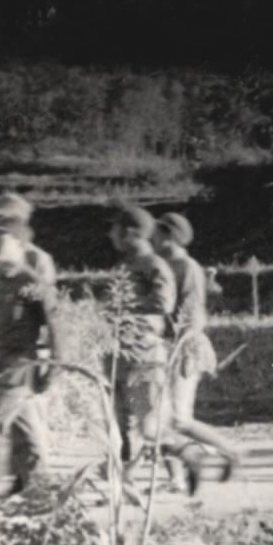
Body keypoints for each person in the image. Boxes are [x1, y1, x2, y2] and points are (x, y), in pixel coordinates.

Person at [152, 213, 242, 491]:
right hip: (164, 346)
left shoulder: (186, 267)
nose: (152, 238)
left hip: (183, 348)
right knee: (158, 418)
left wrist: (180, 347)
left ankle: (230, 451)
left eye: (157, 233)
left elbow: (191, 315)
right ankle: (175, 479)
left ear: (170, 235)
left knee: (178, 418)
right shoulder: (165, 264)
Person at [108, 204, 191, 481]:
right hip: (121, 355)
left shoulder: (154, 265)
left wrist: (125, 307)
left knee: (150, 426)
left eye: (115, 230)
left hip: (144, 356)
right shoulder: (127, 266)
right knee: (123, 426)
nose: (112, 236)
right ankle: (124, 483)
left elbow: (163, 303)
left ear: (131, 233)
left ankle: (190, 456)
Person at [0, 194, 66, 499]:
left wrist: (55, 363)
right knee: (23, 426)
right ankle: (39, 486)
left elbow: (53, 320)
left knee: (0, 419)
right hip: (2, 357)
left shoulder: (34, 269)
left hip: (24, 359)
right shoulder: (0, 272)